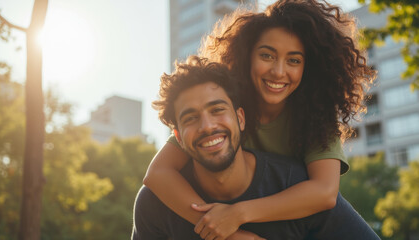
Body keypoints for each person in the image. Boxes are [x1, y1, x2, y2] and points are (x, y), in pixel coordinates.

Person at [143, 0, 377, 239]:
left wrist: (238, 214)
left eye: (294, 60)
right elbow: (158, 173)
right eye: (267, 55)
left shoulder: (315, 115)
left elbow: (324, 192)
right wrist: (221, 230)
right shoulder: (223, 109)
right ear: (247, 56)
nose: (278, 71)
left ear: (309, 67)